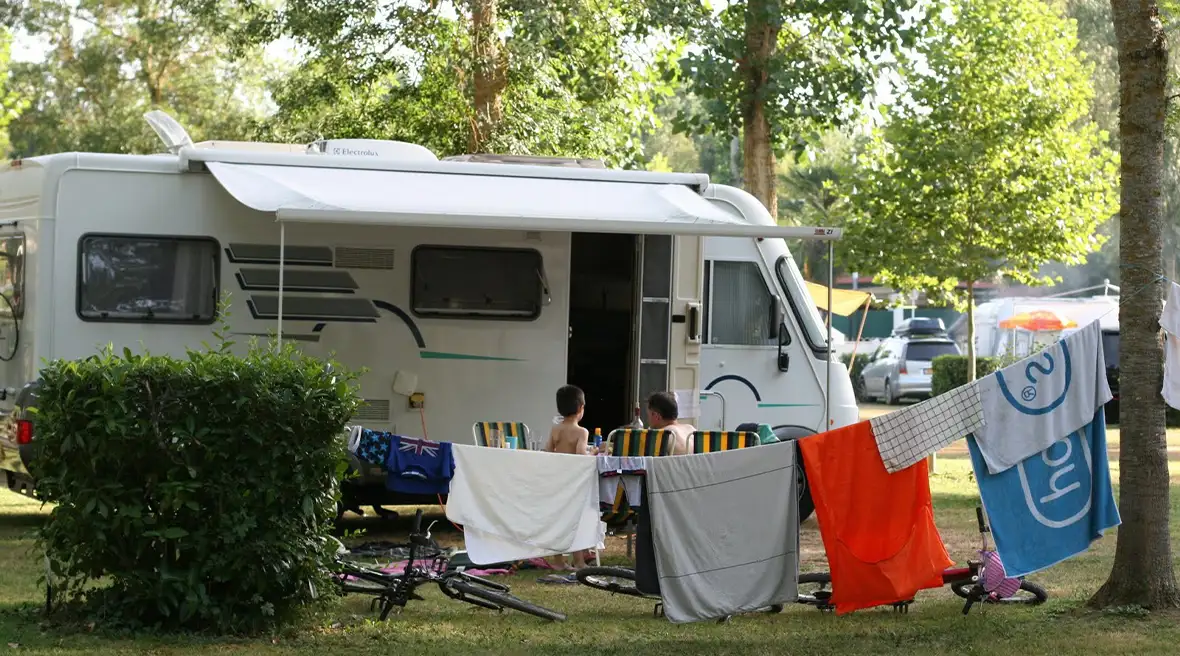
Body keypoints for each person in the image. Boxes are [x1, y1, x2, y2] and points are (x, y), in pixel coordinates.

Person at [539, 384, 596, 576]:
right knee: (575, 522)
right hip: (573, 484)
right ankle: (579, 562)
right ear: (581, 408)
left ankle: (558, 561)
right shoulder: (582, 432)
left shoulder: (556, 429)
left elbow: (548, 450)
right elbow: (580, 455)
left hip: (557, 481)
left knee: (558, 520)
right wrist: (593, 452)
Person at [647, 391, 696, 455]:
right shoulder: (691, 429)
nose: (648, 419)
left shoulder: (663, 434)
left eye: (648, 415)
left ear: (656, 416)